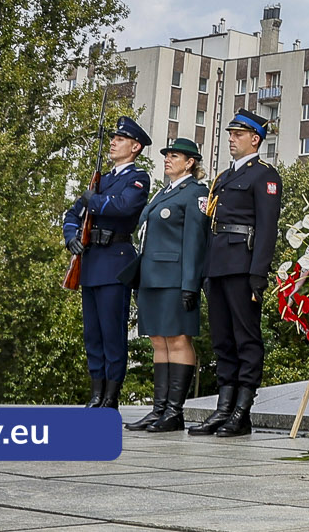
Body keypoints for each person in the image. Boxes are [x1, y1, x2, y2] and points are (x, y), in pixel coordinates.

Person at [188, 109, 282, 437]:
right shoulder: (225, 177)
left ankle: (242, 411)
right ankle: (223, 408)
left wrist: (259, 272)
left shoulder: (264, 175)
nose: (231, 138)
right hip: (218, 264)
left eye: (238, 134)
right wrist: (205, 271)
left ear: (255, 139)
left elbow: (267, 228)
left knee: (246, 338)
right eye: (230, 133)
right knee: (222, 339)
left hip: (243, 264)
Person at [62, 115, 151, 408]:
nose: (113, 142)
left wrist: (94, 200)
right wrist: (72, 237)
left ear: (135, 146)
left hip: (115, 262)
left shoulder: (137, 178)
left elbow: (124, 208)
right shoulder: (102, 180)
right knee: (93, 334)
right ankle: (96, 392)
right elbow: (72, 215)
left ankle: (111, 396)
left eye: (120, 139)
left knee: (113, 333)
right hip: (91, 262)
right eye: (113, 138)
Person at [126, 136, 210, 433]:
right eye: (167, 155)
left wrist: (190, 283)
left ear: (190, 163)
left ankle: (174, 412)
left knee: (177, 340)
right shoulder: (165, 192)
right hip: (151, 276)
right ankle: (158, 409)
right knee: (158, 340)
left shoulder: (195, 193)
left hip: (175, 277)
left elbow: (195, 241)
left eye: (174, 156)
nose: (168, 159)